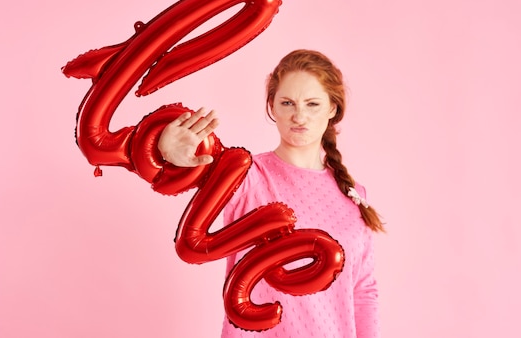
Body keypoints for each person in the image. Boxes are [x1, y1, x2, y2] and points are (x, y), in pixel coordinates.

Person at [158, 49, 384, 338]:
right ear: (272, 107)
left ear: (332, 109)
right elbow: (199, 166)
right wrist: (169, 153)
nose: (299, 115)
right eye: (287, 102)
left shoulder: (352, 194)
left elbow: (363, 290)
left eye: (312, 104)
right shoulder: (248, 176)